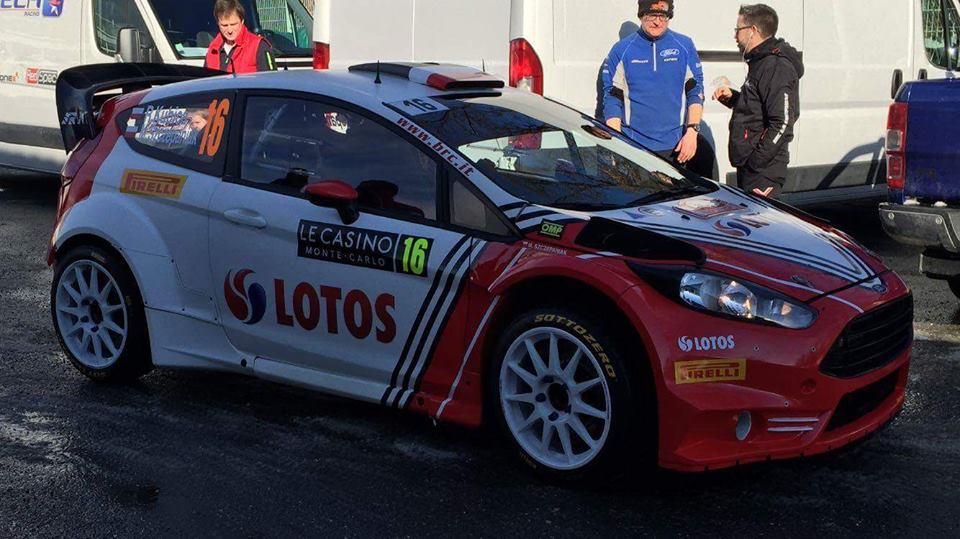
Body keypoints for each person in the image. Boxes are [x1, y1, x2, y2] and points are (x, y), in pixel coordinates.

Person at [600, 1, 705, 170]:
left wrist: (692, 132)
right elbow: (612, 97)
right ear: (641, 16)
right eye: (651, 16)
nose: (657, 22)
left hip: (674, 146)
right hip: (633, 146)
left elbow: (695, 90)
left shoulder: (684, 45)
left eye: (663, 16)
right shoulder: (621, 50)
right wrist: (616, 144)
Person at [713, 4, 803, 198]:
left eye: (738, 29)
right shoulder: (760, 61)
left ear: (753, 30)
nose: (735, 36)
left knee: (761, 218)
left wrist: (755, 163)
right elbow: (757, 108)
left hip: (763, 172)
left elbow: (783, 122)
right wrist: (733, 98)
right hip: (751, 167)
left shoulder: (775, 66)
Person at [204, 0, 277, 74]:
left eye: (233, 24)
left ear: (242, 21)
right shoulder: (213, 49)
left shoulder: (259, 46)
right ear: (218, 23)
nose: (230, 30)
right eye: (224, 25)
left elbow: (271, 79)